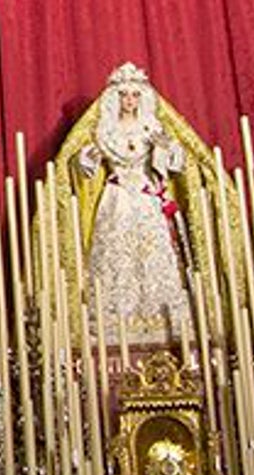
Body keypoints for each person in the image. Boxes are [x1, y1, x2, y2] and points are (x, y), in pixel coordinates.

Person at [77, 63, 192, 341]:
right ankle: (115, 321)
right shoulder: (106, 131)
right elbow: (84, 162)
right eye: (124, 95)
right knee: (117, 253)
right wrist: (87, 158)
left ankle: (160, 320)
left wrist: (164, 147)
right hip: (116, 197)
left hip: (144, 194)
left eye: (134, 95)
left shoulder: (151, 128)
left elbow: (176, 163)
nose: (129, 101)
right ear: (115, 98)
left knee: (152, 251)